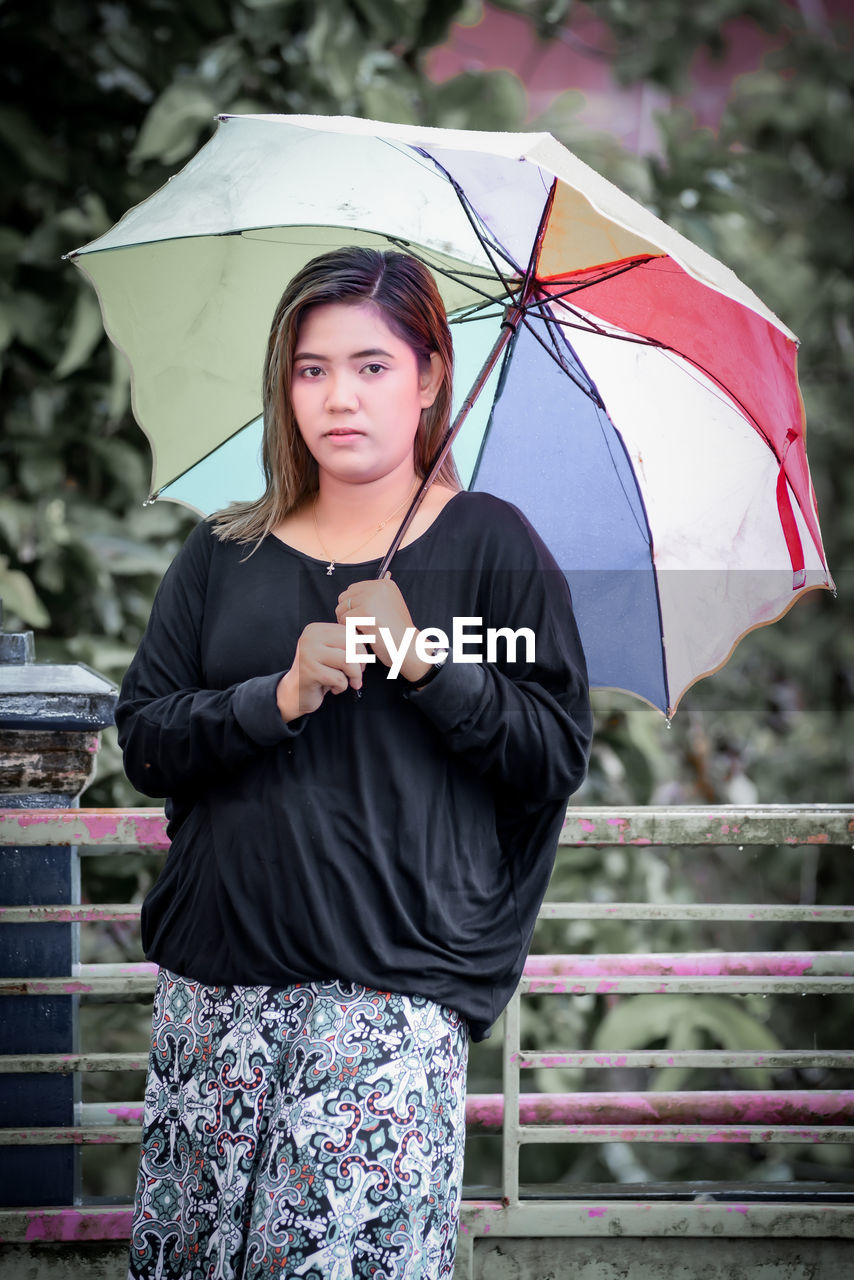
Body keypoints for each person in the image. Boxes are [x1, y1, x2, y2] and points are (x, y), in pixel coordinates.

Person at [117, 247, 592, 1280]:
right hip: (215, 988)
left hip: (390, 996)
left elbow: (553, 753)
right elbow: (145, 736)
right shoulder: (221, 554)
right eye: (311, 367)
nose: (339, 396)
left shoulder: (491, 548)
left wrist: (428, 663)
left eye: (372, 366)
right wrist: (273, 697)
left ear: (428, 378)